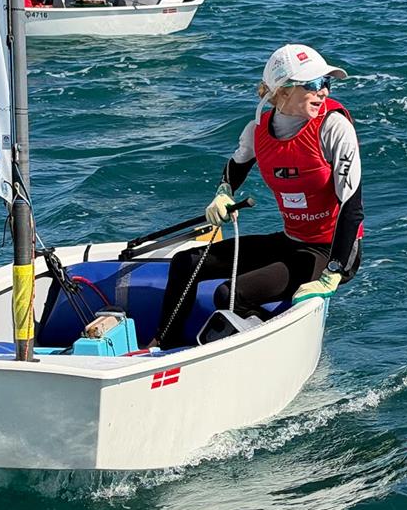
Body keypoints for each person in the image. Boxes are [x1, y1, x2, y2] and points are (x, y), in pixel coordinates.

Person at [150, 44, 364, 348]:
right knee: (187, 263)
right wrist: (223, 193)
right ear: (283, 91)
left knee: (228, 294)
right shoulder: (257, 131)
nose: (324, 92)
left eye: (327, 83)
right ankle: (162, 346)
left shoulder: (333, 127)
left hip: (329, 251)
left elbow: (352, 207)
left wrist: (334, 271)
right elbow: (235, 167)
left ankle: (271, 346)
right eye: (315, 84)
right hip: (292, 240)